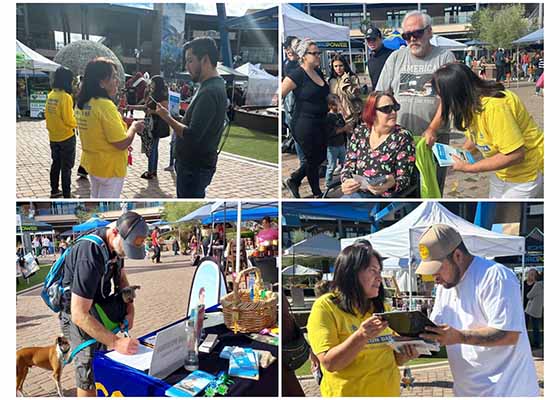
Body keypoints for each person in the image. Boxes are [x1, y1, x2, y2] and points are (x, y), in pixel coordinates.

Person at [416, 224, 539, 397]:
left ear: (457, 255)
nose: (434, 277)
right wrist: (413, 339)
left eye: (437, 269)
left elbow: (509, 334)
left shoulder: (495, 276)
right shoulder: (446, 286)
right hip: (467, 392)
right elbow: (437, 328)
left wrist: (459, 337)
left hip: (507, 391)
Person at [307, 242, 419, 397]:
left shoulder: (383, 309)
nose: (379, 278)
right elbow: (329, 363)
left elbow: (394, 358)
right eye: (373, 271)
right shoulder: (325, 307)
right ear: (350, 273)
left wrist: (407, 353)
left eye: (380, 271)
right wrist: (361, 336)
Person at [59, 211, 148, 397]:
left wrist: (130, 309)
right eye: (126, 248)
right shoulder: (89, 254)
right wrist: (116, 342)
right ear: (115, 233)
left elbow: (122, 278)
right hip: (77, 314)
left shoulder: (116, 245)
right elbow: (78, 314)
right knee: (88, 367)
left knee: (101, 362)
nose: (125, 254)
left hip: (96, 308)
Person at [431, 62, 544, 198]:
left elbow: (515, 154)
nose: (440, 99)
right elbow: (479, 134)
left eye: (442, 95)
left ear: (456, 93)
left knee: (506, 214)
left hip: (527, 172)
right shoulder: (469, 104)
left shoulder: (495, 107)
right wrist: (461, 153)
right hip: (502, 172)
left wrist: (469, 168)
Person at [376, 11, 455, 193]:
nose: (412, 39)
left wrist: (432, 129)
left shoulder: (444, 57)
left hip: (434, 139)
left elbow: (448, 100)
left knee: (431, 187)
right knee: (402, 189)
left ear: (429, 32)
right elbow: (380, 95)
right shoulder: (396, 57)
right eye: (406, 35)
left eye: (416, 33)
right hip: (400, 139)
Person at [154, 37, 227, 198]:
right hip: (196, 166)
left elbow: (192, 134)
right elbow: (198, 125)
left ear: (205, 59)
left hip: (193, 168)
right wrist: (179, 116)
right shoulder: (211, 86)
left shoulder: (209, 91)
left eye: (190, 61)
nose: (187, 67)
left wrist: (167, 118)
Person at [75, 57, 144, 198]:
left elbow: (97, 125)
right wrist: (134, 128)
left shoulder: (83, 103)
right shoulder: (105, 105)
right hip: (109, 167)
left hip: (93, 164)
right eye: (113, 77)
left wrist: (122, 120)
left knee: (95, 198)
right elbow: (122, 143)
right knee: (106, 203)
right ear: (101, 82)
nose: (117, 81)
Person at [341, 91, 416, 198]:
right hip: (357, 193)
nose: (393, 112)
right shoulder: (359, 132)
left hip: (385, 198)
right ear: (372, 113)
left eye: (395, 107)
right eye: (387, 109)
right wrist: (346, 182)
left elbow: (405, 178)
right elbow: (348, 165)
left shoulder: (403, 136)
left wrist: (392, 183)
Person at [282, 38, 330, 198]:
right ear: (303, 55)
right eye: (314, 53)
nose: (318, 56)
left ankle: (295, 179)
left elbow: (324, 94)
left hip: (320, 121)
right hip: (304, 122)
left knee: (321, 156)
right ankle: (316, 192)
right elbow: (280, 93)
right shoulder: (297, 74)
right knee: (311, 157)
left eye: (318, 53)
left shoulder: (318, 72)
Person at [45, 66, 77, 198]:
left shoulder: (51, 95)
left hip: (53, 137)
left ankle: (54, 190)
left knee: (56, 164)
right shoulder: (65, 97)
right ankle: (67, 195)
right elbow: (69, 119)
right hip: (66, 137)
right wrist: (78, 123)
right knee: (66, 167)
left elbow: (48, 116)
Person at [137, 75, 170, 180]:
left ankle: (151, 171)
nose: (151, 84)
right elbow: (146, 106)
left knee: (152, 148)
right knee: (153, 147)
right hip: (151, 123)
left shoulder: (163, 95)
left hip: (156, 124)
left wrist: (152, 111)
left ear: (158, 83)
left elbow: (164, 109)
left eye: (153, 83)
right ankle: (152, 170)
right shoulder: (153, 94)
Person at [328, 54, 361, 127]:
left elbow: (354, 96)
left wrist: (346, 82)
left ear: (345, 66)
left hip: (352, 115)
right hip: (338, 115)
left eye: (340, 66)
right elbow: (331, 98)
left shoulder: (352, 78)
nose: (338, 69)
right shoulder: (332, 81)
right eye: (335, 66)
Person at [324, 94, 349, 189]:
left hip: (341, 144)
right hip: (332, 146)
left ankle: (344, 179)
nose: (338, 107)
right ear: (330, 106)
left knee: (345, 163)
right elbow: (331, 132)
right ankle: (328, 183)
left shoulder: (339, 115)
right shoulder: (328, 118)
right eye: (336, 105)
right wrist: (343, 129)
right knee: (332, 166)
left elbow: (344, 126)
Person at [365, 26, 393, 92]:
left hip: (391, 96)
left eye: (374, 39)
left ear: (380, 39)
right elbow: (374, 84)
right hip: (377, 97)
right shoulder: (370, 61)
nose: (371, 42)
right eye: (369, 40)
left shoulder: (392, 55)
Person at [524, 269, 543, 348]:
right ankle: (526, 342)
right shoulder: (523, 283)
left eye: (532, 274)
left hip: (531, 308)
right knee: (525, 325)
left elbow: (529, 295)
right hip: (524, 306)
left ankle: (536, 343)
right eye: (529, 274)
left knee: (535, 326)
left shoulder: (537, 284)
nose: (530, 275)